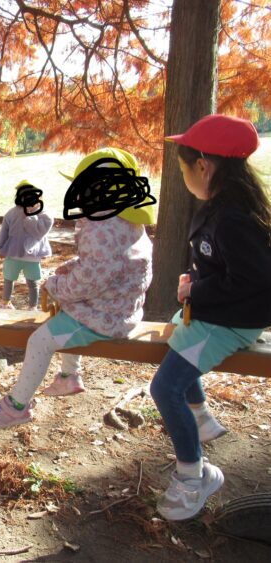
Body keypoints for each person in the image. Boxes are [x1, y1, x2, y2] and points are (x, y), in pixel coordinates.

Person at [149, 114, 271, 521]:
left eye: (183, 169)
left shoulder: (232, 217)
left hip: (231, 321)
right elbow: (223, 263)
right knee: (174, 328)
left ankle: (193, 477)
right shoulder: (225, 205)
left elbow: (252, 279)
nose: (184, 176)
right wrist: (195, 281)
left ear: (203, 166)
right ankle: (200, 415)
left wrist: (197, 292)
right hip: (220, 311)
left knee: (165, 388)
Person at [0, 147, 155, 425]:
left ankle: (17, 405)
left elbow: (88, 281)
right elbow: (104, 264)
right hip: (121, 307)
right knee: (66, 314)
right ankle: (69, 376)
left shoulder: (101, 229)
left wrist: (56, 285)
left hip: (104, 316)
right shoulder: (125, 221)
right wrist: (69, 268)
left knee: (40, 340)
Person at [0, 180, 53, 310]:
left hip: (21, 254)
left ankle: (22, 305)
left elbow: (3, 233)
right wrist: (0, 249)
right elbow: (4, 231)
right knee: (20, 281)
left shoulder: (40, 213)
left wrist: (1, 249)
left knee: (21, 281)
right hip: (24, 255)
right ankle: (20, 305)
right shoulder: (40, 213)